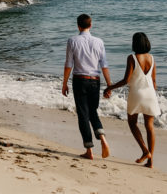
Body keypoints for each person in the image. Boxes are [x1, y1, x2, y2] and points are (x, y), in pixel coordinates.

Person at [104, 32, 160, 168]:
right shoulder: (152, 58)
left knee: (132, 123)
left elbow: (126, 80)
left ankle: (145, 151)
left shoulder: (132, 58)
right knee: (150, 127)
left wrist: (109, 87)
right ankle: (150, 162)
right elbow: (154, 81)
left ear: (135, 43)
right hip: (151, 95)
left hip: (136, 94)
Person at [61, 13, 112, 159]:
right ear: (91, 25)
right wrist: (109, 85)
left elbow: (68, 65)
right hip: (95, 80)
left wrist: (64, 84)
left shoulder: (72, 41)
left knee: (83, 115)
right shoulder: (99, 42)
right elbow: (104, 65)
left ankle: (89, 150)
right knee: (93, 112)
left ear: (78, 25)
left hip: (80, 80)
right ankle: (102, 137)